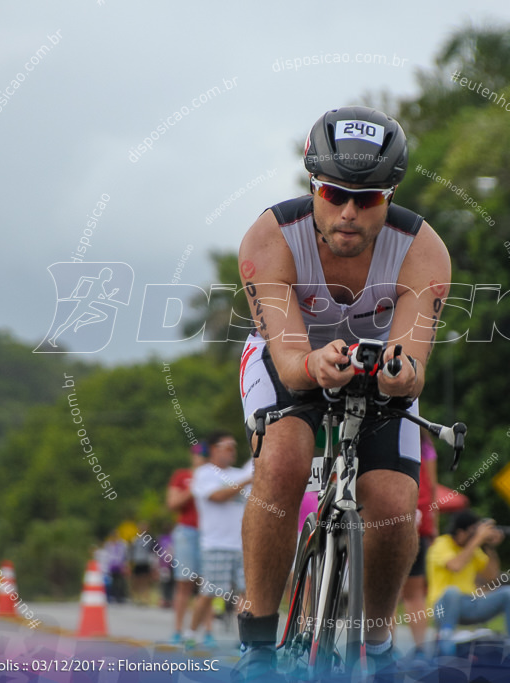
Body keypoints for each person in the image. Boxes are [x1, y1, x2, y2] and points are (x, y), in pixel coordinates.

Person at [234, 105, 451, 678]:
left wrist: (401, 377)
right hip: (291, 358)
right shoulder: (270, 236)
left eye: (370, 198)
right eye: (334, 194)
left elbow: (412, 364)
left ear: (392, 194)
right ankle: (257, 640)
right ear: (313, 185)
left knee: (395, 503)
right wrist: (314, 363)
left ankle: (377, 645)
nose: (350, 213)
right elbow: (286, 356)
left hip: (376, 369)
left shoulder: (423, 251)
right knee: (282, 461)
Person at [426, 510, 510, 655]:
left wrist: (489, 546)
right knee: (452, 591)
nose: (475, 536)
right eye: (472, 532)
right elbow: (455, 566)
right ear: (460, 532)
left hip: (470, 603)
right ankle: (444, 644)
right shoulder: (441, 544)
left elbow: (492, 576)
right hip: (443, 606)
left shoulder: (474, 548)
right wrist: (477, 539)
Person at [191, 431, 253, 649]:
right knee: (209, 592)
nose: (233, 451)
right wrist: (247, 480)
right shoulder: (204, 474)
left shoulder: (240, 473)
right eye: (228, 447)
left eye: (234, 446)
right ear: (214, 449)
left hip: (242, 544)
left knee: (247, 592)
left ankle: (245, 639)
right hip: (216, 545)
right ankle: (192, 633)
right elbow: (217, 496)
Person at [399, 431, 439, 652]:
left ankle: (383, 649)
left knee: (388, 594)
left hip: (390, 519)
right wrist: (433, 527)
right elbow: (432, 487)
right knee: (415, 594)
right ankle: (422, 649)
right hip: (419, 523)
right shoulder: (425, 444)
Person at [167, 443, 209, 645]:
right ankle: (178, 630)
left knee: (208, 585)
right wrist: (192, 489)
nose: (200, 458)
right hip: (187, 532)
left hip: (210, 533)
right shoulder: (182, 476)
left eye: (204, 455)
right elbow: (173, 504)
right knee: (184, 583)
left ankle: (207, 633)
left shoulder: (214, 477)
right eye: (198, 455)